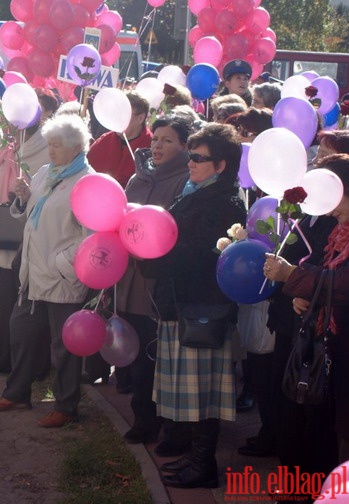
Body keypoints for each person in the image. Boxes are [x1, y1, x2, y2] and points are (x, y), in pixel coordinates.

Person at [141, 123, 246, 489]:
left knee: (204, 392)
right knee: (189, 390)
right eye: (192, 156)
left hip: (203, 307)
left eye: (199, 159)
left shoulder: (226, 201)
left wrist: (154, 258)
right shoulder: (196, 192)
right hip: (182, 301)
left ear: (220, 166)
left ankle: (204, 465)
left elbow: (200, 255)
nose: (191, 164)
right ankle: (195, 457)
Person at [0, 115, 93, 429]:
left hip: (61, 278)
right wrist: (24, 198)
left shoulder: (86, 182)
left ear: (76, 148)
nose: (51, 150)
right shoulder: (46, 173)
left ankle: (66, 405)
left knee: (65, 346)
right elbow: (32, 218)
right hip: (32, 273)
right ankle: (17, 394)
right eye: (50, 144)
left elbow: (91, 236)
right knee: (22, 335)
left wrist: (62, 264)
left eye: (57, 145)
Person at [264, 154, 349, 473]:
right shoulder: (341, 230)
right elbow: (327, 273)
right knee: (324, 423)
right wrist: (308, 297)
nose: (328, 210)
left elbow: (343, 283)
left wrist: (292, 277)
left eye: (333, 200)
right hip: (335, 343)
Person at [115, 116, 191, 450]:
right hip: (127, 278)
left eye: (168, 140)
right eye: (156, 138)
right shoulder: (137, 177)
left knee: (153, 356)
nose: (157, 146)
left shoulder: (186, 181)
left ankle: (153, 422)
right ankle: (141, 415)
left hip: (157, 284)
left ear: (185, 147)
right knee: (134, 354)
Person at [0, 88, 57, 376]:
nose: (7, 122)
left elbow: (49, 194)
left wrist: (24, 196)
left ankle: (30, 365)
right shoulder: (5, 148)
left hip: (25, 239)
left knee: (25, 309)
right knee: (3, 303)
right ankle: (1, 358)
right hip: (0, 235)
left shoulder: (45, 149)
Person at [88, 91, 153, 187]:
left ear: (140, 118)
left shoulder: (151, 146)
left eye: (124, 113)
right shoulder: (105, 139)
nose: (117, 116)